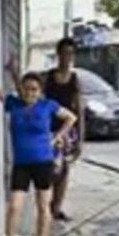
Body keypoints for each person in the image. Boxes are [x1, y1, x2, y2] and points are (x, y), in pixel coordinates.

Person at [0, 43, 77, 236]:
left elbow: (71, 117)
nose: (30, 93)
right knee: (14, 206)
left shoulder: (47, 106)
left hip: (44, 162)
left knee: (43, 206)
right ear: (21, 89)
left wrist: (57, 136)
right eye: (26, 88)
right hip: (21, 164)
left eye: (34, 89)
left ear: (40, 91)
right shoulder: (13, 103)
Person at [43, 37, 83, 222]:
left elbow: (79, 109)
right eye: (64, 53)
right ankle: (46, 206)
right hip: (50, 129)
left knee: (65, 170)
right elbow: (39, 102)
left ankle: (56, 208)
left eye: (71, 53)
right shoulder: (49, 77)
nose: (67, 57)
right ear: (58, 54)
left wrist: (81, 139)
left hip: (68, 129)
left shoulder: (75, 79)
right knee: (51, 169)